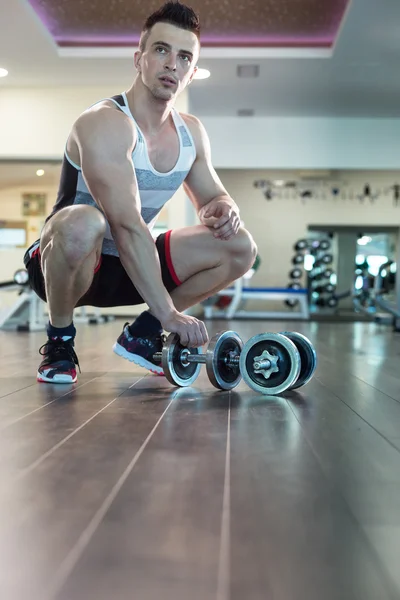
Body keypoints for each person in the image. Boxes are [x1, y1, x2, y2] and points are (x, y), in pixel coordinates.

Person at [24, 0, 257, 384]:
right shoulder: (104, 122)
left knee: (240, 246)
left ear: (192, 71)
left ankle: (142, 335)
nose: (172, 64)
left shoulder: (191, 133)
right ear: (139, 58)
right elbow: (127, 223)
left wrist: (224, 208)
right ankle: (60, 341)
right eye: (162, 50)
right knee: (85, 221)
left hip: (128, 268)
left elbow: (213, 196)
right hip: (70, 264)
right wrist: (170, 313)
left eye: (184, 57)